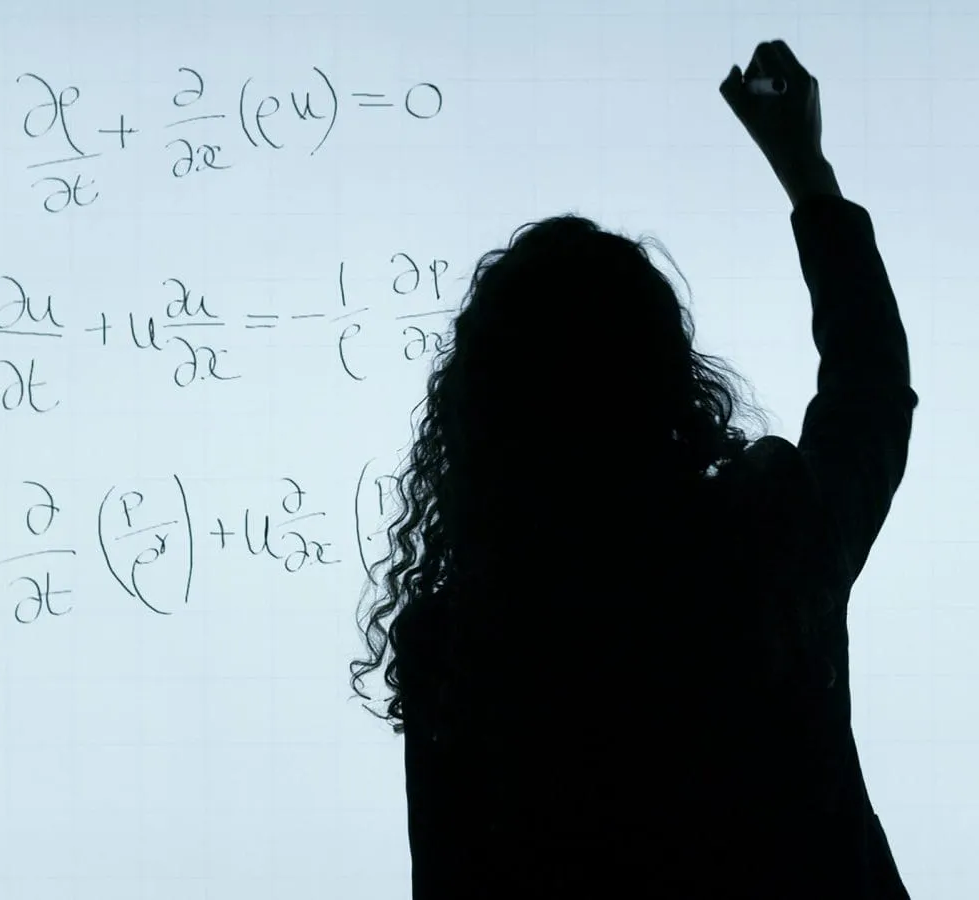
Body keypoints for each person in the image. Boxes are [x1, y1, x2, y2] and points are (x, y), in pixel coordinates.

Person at [349, 39, 918, 898]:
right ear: (672, 382)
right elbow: (869, 389)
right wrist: (806, 172)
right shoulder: (767, 542)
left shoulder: (456, 648)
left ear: (480, 418)